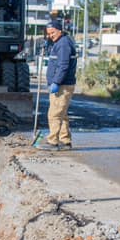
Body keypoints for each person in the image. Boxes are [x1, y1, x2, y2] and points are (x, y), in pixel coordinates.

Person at [44, 18, 77, 149]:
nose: (50, 36)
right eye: (48, 33)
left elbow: (63, 65)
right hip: (62, 84)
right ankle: (65, 140)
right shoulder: (60, 42)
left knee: (54, 114)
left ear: (60, 31)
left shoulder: (63, 44)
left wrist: (56, 82)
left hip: (63, 85)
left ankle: (52, 141)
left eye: (52, 32)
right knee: (62, 114)